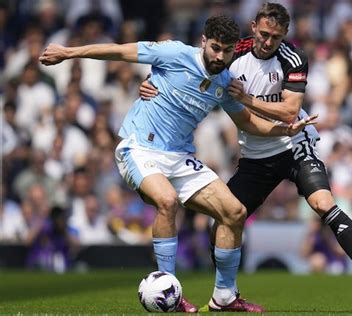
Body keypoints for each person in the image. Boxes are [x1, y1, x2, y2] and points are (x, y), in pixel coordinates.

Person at [39, 15, 316, 313]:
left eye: (227, 51)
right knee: (167, 201)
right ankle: (168, 285)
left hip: (181, 157)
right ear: (203, 42)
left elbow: (248, 123)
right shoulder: (173, 53)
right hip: (140, 147)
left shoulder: (225, 82)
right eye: (215, 48)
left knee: (234, 212)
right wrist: (68, 52)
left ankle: (224, 297)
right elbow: (119, 51)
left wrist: (283, 130)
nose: (219, 56)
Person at [140, 3, 352, 309]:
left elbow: (289, 111)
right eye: (264, 33)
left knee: (323, 203)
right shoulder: (234, 53)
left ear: (285, 34)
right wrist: (153, 84)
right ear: (254, 26)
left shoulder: (293, 58)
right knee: (224, 219)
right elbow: (193, 66)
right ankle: (223, 296)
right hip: (255, 156)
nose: (268, 41)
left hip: (293, 145)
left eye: (275, 36)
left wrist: (246, 98)